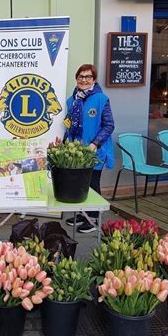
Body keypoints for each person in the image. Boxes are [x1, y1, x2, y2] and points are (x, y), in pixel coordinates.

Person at [64, 64, 115, 233]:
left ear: (94, 79)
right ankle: (82, 215)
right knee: (79, 184)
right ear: (76, 78)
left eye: (88, 77)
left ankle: (93, 219)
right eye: (81, 76)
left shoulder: (101, 99)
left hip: (95, 150)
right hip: (78, 152)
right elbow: (69, 124)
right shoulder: (72, 100)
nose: (84, 80)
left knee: (92, 184)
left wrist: (95, 143)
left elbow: (109, 125)